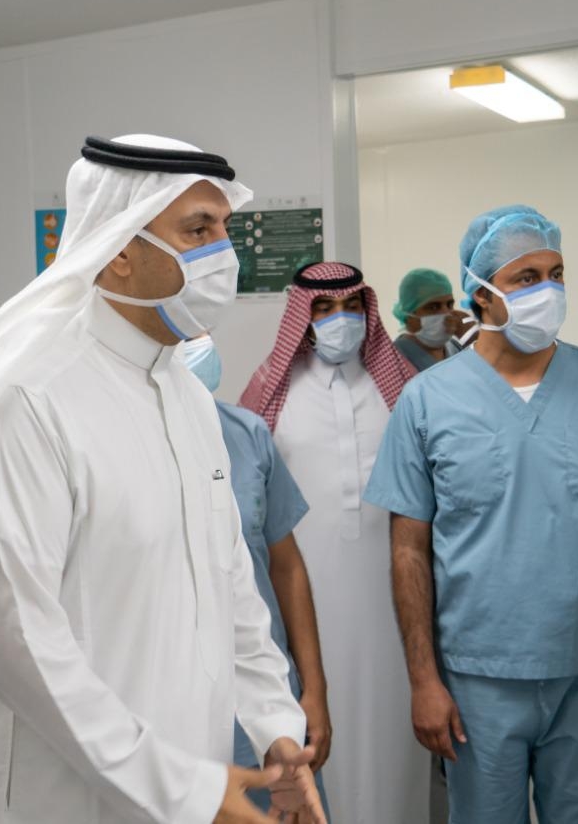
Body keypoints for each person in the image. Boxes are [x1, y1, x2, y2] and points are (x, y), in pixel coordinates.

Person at [0, 135, 325, 824]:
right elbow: (19, 644)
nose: (225, 254)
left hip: (191, 774)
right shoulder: (32, 402)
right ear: (120, 250)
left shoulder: (190, 399)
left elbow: (231, 585)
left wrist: (276, 729)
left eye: (225, 230)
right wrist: (180, 786)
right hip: (64, 795)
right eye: (197, 230)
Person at [364, 205, 578, 824]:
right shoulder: (427, 401)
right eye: (527, 277)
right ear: (481, 294)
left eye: (557, 273)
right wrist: (423, 679)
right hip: (478, 675)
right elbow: (408, 549)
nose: (548, 290)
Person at [240, 261, 427, 824]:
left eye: (350, 307)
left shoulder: (401, 389)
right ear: (303, 315)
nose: (339, 320)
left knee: (396, 740)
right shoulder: (271, 393)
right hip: (303, 600)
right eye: (323, 308)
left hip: (393, 601)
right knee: (312, 735)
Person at [181, 334, 332, 819]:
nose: (196, 342)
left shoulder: (245, 434)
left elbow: (286, 568)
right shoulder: (118, 448)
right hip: (178, 706)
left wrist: (313, 690)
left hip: (266, 691)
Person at [392, 267, 466, 372]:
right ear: (409, 315)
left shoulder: (455, 347)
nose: (446, 314)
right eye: (433, 307)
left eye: (449, 305)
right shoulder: (396, 357)